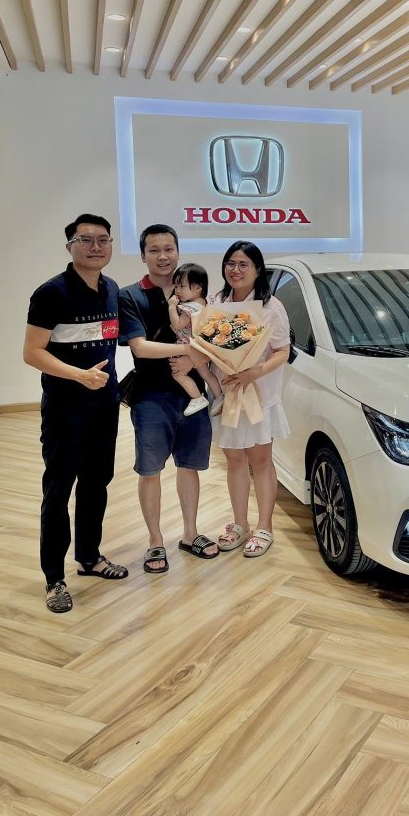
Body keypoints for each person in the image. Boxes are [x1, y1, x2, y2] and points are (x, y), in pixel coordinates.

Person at [23, 214, 128, 614]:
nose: (96, 246)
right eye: (86, 240)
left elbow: (108, 341)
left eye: (103, 239)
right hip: (65, 409)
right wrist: (78, 375)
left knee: (97, 482)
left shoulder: (111, 289)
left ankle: (89, 557)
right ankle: (54, 578)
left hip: (104, 407)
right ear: (70, 246)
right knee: (59, 489)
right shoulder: (50, 293)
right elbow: (32, 352)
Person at [118, 224, 219, 574]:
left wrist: (199, 358)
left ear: (177, 251)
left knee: (190, 466)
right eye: (154, 250)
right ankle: (155, 540)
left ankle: (190, 533)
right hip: (151, 397)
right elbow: (140, 348)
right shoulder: (130, 296)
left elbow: (214, 341)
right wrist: (189, 350)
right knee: (150, 470)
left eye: (168, 249)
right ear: (143, 255)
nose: (163, 256)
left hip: (193, 396)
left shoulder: (197, 294)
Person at [212, 241, 290, 557]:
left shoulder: (272, 307)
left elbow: (282, 351)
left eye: (243, 264)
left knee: (260, 461)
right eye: (230, 263)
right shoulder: (216, 303)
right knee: (234, 460)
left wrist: (254, 372)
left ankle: (265, 526)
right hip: (229, 394)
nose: (236, 269)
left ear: (258, 270)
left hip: (259, 395)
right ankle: (240, 523)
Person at [167, 262, 224, 417]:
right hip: (202, 346)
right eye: (176, 286)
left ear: (198, 287)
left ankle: (197, 397)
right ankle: (219, 397)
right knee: (206, 373)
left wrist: (171, 307)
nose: (177, 290)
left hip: (189, 346)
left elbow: (178, 325)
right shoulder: (207, 301)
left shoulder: (188, 308)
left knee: (178, 374)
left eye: (182, 286)